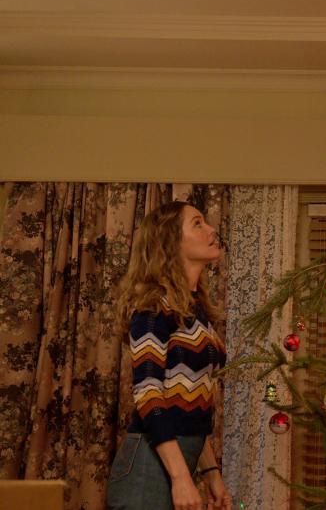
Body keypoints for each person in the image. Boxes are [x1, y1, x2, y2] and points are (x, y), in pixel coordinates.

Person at [107, 201, 232, 510]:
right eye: (198, 224)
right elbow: (149, 394)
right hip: (147, 469)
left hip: (179, 461)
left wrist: (210, 472)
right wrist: (180, 478)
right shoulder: (152, 307)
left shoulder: (195, 309)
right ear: (171, 241)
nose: (212, 230)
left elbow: (193, 400)